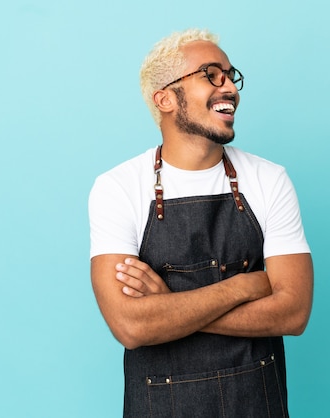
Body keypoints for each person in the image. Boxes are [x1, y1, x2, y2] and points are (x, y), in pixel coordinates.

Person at [88, 28, 313, 418]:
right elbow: (130, 326)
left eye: (230, 74)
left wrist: (167, 308)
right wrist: (244, 285)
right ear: (165, 98)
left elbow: (293, 313)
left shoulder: (269, 179)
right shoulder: (118, 187)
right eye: (211, 74)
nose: (229, 87)